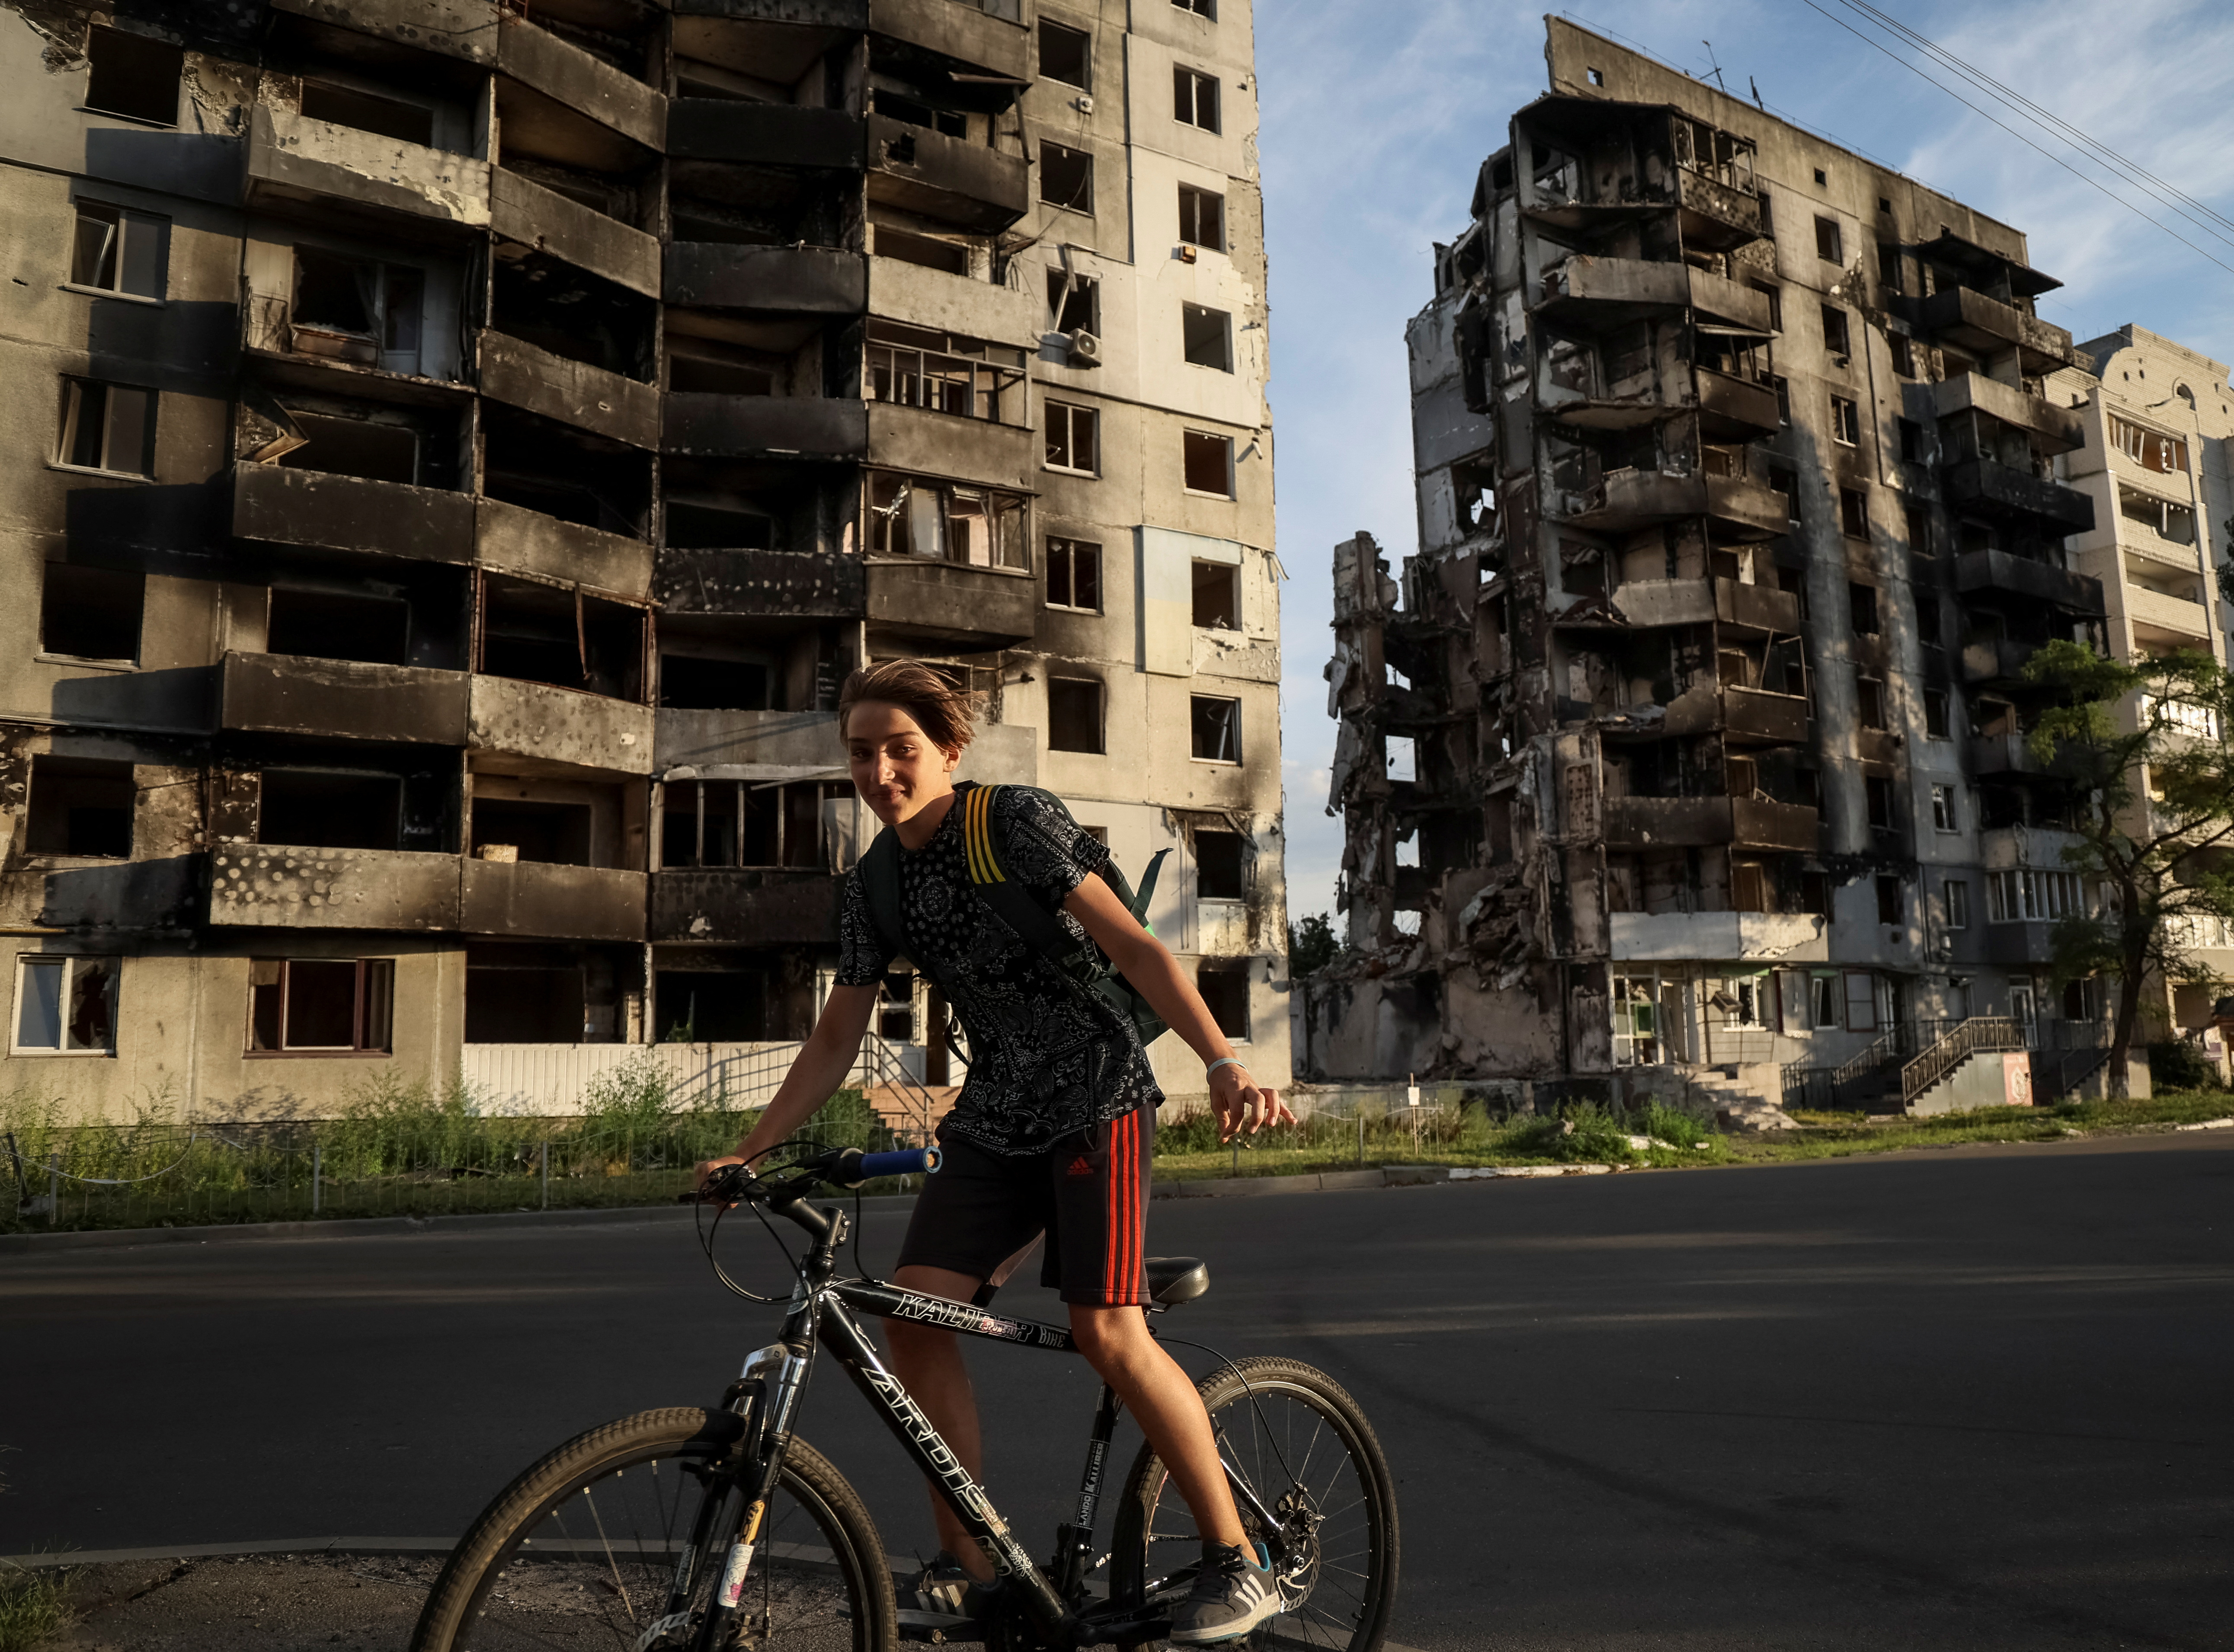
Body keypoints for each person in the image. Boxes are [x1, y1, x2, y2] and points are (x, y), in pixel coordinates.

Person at [697, 659, 1295, 1644]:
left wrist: (1223, 1062)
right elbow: (838, 1037)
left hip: (1095, 1096)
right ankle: (974, 1566)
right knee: (915, 1318)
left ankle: (1240, 1559)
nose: (880, 769)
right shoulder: (873, 884)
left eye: (901, 749)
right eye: (860, 752)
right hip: (993, 1115)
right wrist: (747, 1152)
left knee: (1109, 1333)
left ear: (947, 751)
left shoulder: (1010, 820)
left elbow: (1138, 949)